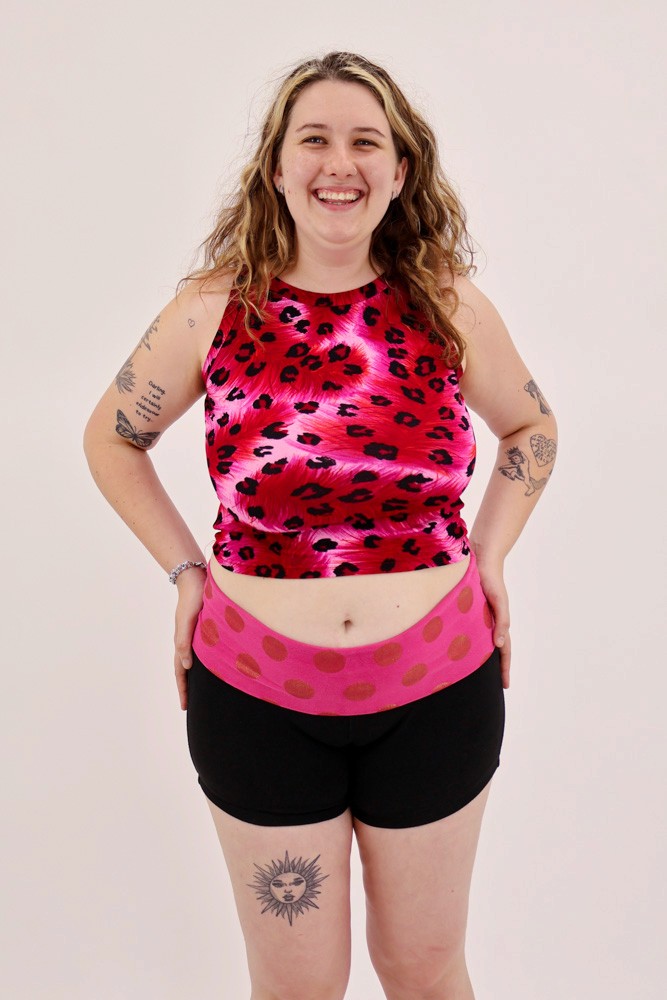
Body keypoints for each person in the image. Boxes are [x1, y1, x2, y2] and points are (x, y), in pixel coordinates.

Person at [84, 51, 557, 1000]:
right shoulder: (211, 310)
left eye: (363, 141)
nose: (338, 162)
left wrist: (492, 553)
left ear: (398, 171)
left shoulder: (447, 306)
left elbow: (530, 426)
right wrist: (185, 572)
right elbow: (111, 441)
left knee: (423, 971)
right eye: (314, 139)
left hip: (435, 685)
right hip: (257, 691)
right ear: (276, 168)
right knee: (297, 983)